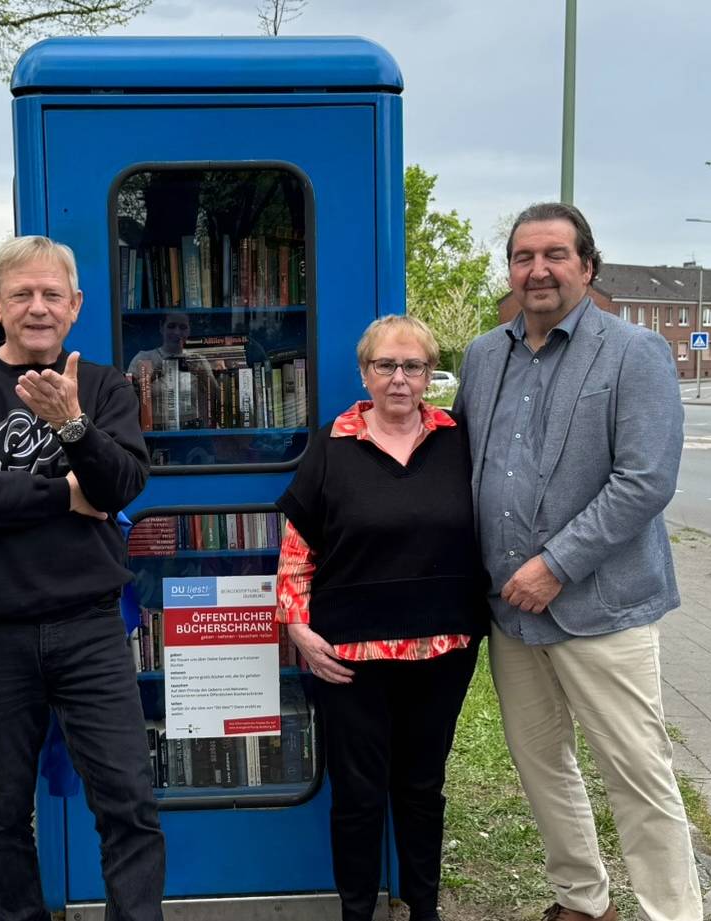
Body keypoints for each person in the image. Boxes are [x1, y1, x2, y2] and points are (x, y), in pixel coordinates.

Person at [452, 203, 696, 921]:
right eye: (524, 257)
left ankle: (671, 913)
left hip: (602, 608)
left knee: (638, 773)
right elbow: (460, 462)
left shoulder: (634, 352)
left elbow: (645, 480)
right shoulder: (483, 356)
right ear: (510, 271)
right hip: (510, 610)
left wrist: (556, 564)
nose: (538, 270)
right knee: (540, 762)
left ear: (587, 267)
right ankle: (583, 901)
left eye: (555, 255)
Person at [0, 235, 164, 921]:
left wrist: (74, 425)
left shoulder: (106, 387)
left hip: (89, 629)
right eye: (21, 294)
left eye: (51, 294)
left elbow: (120, 486)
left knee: (129, 804)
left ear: (75, 305)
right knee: (1, 813)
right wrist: (64, 494)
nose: (37, 307)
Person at [274, 315, 488, 921]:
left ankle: (424, 909)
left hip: (441, 649)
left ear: (429, 374)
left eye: (412, 366)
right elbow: (296, 548)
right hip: (348, 657)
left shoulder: (459, 442)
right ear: (364, 372)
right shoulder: (331, 444)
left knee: (422, 788)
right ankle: (357, 911)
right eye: (385, 365)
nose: (399, 378)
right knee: (358, 795)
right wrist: (297, 627)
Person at [126, 309, 192, 377]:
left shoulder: (194, 360)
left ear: (189, 329)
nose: (177, 332)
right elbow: (129, 383)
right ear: (161, 327)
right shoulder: (144, 358)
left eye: (183, 327)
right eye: (171, 326)